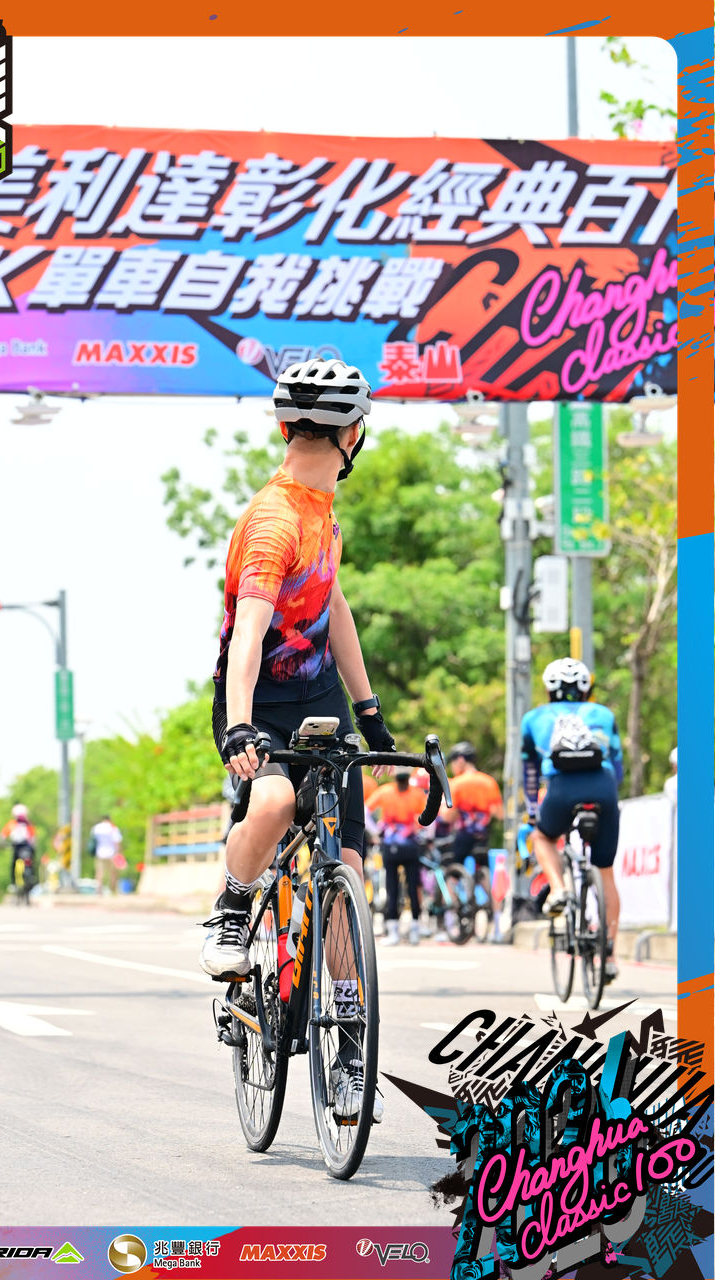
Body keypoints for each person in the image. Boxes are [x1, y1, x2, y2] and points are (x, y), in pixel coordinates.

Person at [200, 357, 397, 1123]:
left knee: (348, 867)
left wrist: (368, 711)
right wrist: (239, 725)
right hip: (258, 698)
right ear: (354, 434)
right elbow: (248, 632)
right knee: (275, 801)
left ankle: (346, 1045)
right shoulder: (275, 518)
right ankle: (231, 905)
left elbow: (333, 607)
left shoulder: (324, 511)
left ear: (287, 425)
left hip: (319, 696)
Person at [520, 658, 624, 982]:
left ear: (549, 689)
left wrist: (533, 809)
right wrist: (609, 796)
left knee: (542, 837)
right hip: (604, 788)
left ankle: (559, 889)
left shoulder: (533, 718)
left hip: (561, 789)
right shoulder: (603, 714)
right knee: (606, 873)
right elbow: (617, 764)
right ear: (586, 688)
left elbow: (530, 771)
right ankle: (609, 955)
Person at [366, 766, 429, 946]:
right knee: (411, 886)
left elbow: (365, 811)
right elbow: (429, 815)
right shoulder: (417, 794)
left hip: (391, 845)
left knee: (393, 887)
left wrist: (376, 832)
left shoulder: (385, 791)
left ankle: (395, 930)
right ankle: (413, 929)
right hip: (410, 845)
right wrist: (423, 832)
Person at [442, 741, 503, 863]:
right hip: (483, 836)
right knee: (483, 866)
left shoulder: (456, 783)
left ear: (460, 760)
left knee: (454, 867)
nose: (452, 767)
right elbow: (499, 814)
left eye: (452, 762)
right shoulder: (489, 782)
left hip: (463, 837)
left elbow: (448, 817)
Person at [0, 803, 38, 888]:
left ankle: (13, 883)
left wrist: (2, 845)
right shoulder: (28, 824)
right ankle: (33, 878)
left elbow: (2, 836)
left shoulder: (12, 824)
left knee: (13, 864)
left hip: (17, 847)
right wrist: (33, 847)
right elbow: (33, 838)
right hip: (27, 847)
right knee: (32, 862)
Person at [89, 815, 123, 893]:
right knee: (112, 873)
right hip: (112, 854)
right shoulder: (113, 828)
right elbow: (117, 842)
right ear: (109, 820)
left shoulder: (96, 827)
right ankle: (112, 890)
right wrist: (119, 853)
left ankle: (99, 889)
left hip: (99, 853)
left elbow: (93, 840)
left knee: (99, 873)